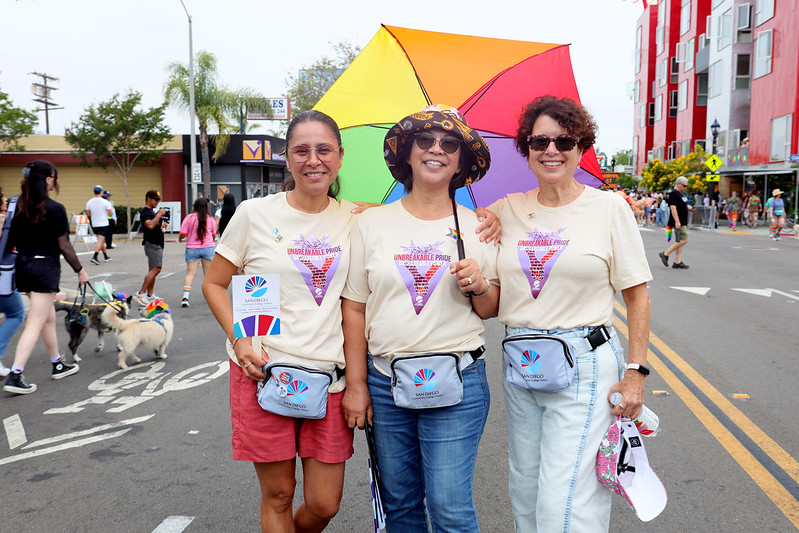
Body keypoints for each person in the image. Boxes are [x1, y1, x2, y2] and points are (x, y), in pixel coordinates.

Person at [486, 95, 652, 531]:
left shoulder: (609, 208)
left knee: (567, 498)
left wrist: (636, 371)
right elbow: (435, 222)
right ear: (526, 148)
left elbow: (637, 295)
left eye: (565, 140)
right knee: (525, 486)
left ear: (582, 147)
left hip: (584, 363)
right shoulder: (504, 210)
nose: (551, 150)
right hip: (523, 363)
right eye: (540, 140)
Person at [342, 105, 499, 532]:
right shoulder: (369, 224)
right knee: (402, 507)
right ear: (406, 154)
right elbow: (354, 307)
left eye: (450, 144)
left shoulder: (479, 228)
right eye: (425, 141)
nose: (437, 149)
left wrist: (480, 286)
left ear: (462, 162)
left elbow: (491, 309)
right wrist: (356, 385)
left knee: (449, 507)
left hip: (458, 380)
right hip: (384, 381)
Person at [3, 160, 90, 395]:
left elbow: (9, 240)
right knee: (35, 321)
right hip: (45, 270)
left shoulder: (17, 205)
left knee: (47, 315)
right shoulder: (54, 209)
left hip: (23, 267)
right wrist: (80, 270)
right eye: (55, 177)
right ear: (49, 178)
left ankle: (57, 363)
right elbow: (64, 245)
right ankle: (16, 374)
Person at [0, 187, 26, 378]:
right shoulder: (3, 221)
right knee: (16, 313)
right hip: (3, 276)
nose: (5, 198)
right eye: (2, 196)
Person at [179, 197, 216, 307]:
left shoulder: (189, 218)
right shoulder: (210, 219)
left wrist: (180, 238)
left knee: (190, 274)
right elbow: (213, 235)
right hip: (207, 248)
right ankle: (211, 297)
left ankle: (185, 297)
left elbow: (183, 233)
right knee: (208, 275)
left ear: (195, 206)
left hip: (192, 248)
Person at [133, 190, 168, 304]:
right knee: (156, 269)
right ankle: (141, 293)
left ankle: (150, 295)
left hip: (156, 243)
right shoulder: (145, 212)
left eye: (158, 200)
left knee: (152, 269)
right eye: (155, 199)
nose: (157, 202)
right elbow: (150, 225)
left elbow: (155, 224)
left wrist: (162, 224)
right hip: (152, 244)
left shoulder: (151, 212)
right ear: (148, 198)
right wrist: (158, 215)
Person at [659, 176, 694, 269]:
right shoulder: (674, 193)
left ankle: (677, 262)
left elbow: (681, 205)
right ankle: (665, 254)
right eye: (684, 186)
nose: (685, 187)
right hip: (678, 221)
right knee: (684, 240)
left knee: (680, 241)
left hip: (682, 220)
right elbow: (673, 208)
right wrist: (677, 221)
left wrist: (688, 207)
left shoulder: (681, 193)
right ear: (678, 184)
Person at [85, 184, 114, 265]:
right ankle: (95, 256)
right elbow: (111, 213)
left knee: (101, 240)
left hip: (95, 223)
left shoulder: (89, 202)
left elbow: (88, 213)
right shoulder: (105, 202)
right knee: (100, 240)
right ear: (101, 192)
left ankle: (105, 256)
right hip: (103, 223)